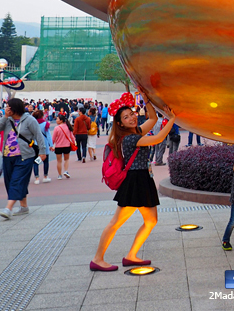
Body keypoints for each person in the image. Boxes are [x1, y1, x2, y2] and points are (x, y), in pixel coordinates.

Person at [90, 93, 176, 272]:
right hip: (135, 182)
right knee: (116, 223)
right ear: (120, 123)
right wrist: (172, 119)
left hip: (143, 179)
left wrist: (146, 99)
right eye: (126, 117)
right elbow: (158, 138)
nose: (132, 118)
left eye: (132, 114)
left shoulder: (135, 133)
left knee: (151, 220)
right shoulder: (130, 138)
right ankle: (98, 259)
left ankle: (131, 256)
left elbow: (152, 119)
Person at [0, 98, 47, 219]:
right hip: (7, 156)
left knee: (16, 181)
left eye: (8, 107)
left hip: (25, 156)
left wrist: (42, 152)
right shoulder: (7, 120)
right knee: (10, 182)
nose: (6, 109)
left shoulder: (29, 120)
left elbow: (39, 135)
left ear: (14, 108)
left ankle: (8, 208)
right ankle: (24, 206)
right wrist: (5, 117)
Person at [32, 110, 52, 184]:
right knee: (45, 161)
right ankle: (45, 176)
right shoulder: (45, 124)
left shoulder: (33, 124)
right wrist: (51, 145)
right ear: (42, 116)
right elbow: (48, 135)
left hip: (35, 144)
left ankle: (37, 178)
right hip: (44, 144)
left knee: (35, 162)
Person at [51, 114, 73, 179]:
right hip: (67, 145)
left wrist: (51, 145)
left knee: (59, 161)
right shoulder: (68, 127)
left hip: (58, 146)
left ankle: (59, 175)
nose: (56, 120)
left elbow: (53, 138)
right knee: (66, 159)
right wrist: (74, 142)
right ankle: (66, 171)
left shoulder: (57, 128)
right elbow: (72, 136)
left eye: (57, 119)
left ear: (61, 120)